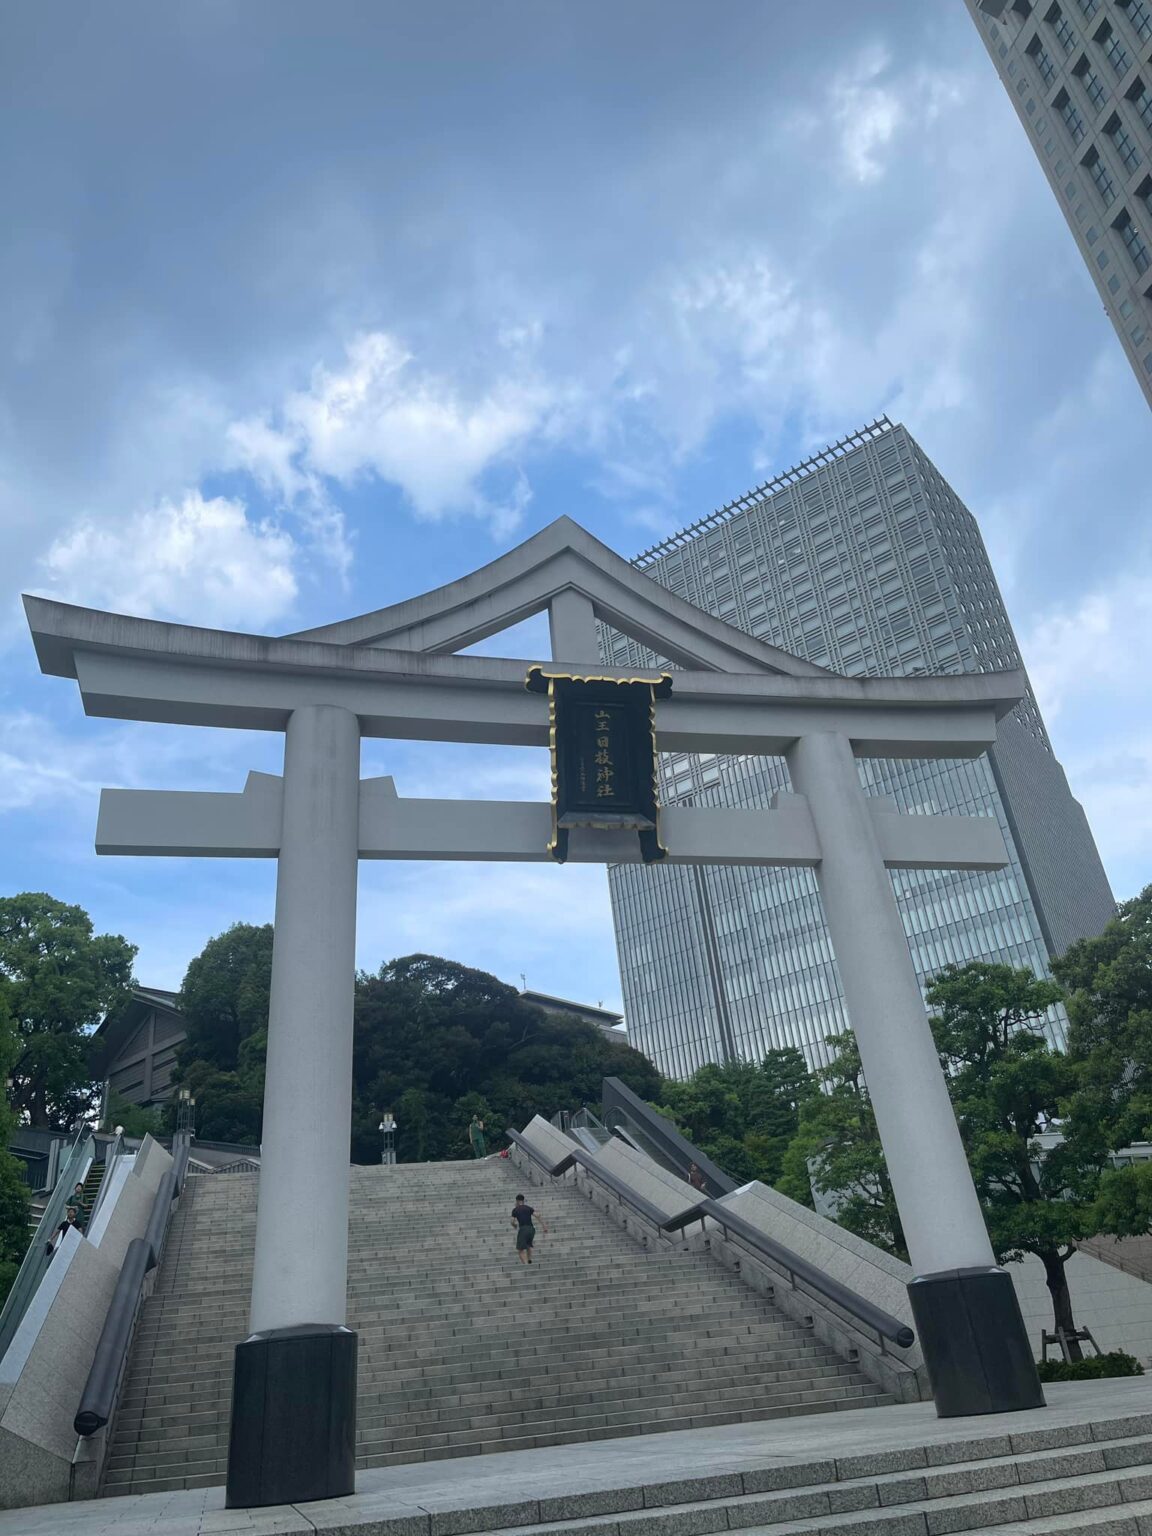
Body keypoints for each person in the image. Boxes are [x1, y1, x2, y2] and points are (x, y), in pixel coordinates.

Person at [510, 1193, 547, 1264]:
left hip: (523, 1229)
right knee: (528, 1245)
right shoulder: (528, 1208)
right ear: (523, 1201)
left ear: (517, 1201)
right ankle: (529, 1260)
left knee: (520, 1250)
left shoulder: (515, 1210)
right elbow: (538, 1215)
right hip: (531, 1229)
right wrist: (544, 1226)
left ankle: (526, 1265)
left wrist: (514, 1225)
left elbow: (512, 1222)